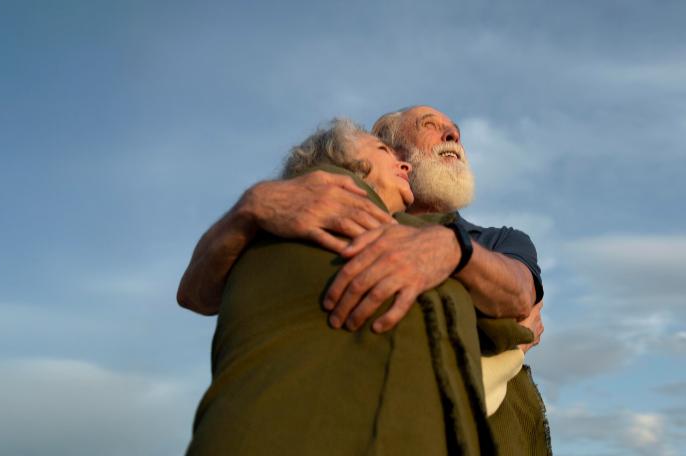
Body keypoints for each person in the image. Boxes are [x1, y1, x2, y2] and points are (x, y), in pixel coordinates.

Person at [178, 106, 550, 453]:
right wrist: (253, 206)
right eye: (430, 126)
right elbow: (196, 295)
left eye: (455, 130)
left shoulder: (498, 240)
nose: (452, 134)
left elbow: (521, 297)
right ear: (392, 151)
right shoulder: (305, 213)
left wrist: (453, 251)